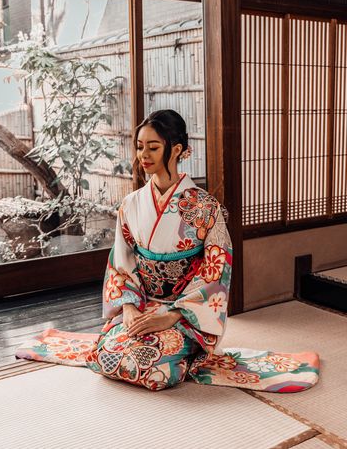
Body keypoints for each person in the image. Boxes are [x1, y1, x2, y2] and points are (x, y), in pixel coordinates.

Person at [17, 109, 318, 393]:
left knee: (152, 368)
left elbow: (216, 270)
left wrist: (174, 315)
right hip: (141, 304)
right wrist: (129, 308)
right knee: (107, 353)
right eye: (139, 147)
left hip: (186, 315)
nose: (143, 156)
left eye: (153, 147)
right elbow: (121, 265)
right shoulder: (132, 204)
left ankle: (186, 353)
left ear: (176, 149)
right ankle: (156, 346)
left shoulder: (205, 207)